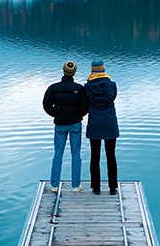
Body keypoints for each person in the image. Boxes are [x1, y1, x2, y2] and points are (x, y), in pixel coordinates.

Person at [43, 61, 88, 193]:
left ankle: (54, 185)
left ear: (63, 71)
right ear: (74, 72)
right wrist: (78, 115)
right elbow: (85, 108)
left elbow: (46, 105)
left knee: (58, 153)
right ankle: (75, 186)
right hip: (75, 124)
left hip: (60, 125)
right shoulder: (80, 89)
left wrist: (56, 114)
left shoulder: (53, 88)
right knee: (76, 154)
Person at [84, 59, 119, 195]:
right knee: (111, 156)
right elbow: (112, 98)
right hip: (109, 123)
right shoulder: (112, 85)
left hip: (94, 123)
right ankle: (112, 187)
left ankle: (96, 187)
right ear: (103, 70)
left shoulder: (87, 87)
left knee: (95, 156)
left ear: (92, 70)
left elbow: (86, 105)